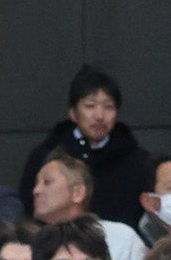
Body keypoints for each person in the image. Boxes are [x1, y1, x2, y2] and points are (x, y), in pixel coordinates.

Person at [23, 66, 159, 225]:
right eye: (90, 106)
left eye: (108, 107)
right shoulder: (45, 155)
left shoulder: (138, 161)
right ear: (73, 112)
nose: (100, 116)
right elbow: (28, 209)